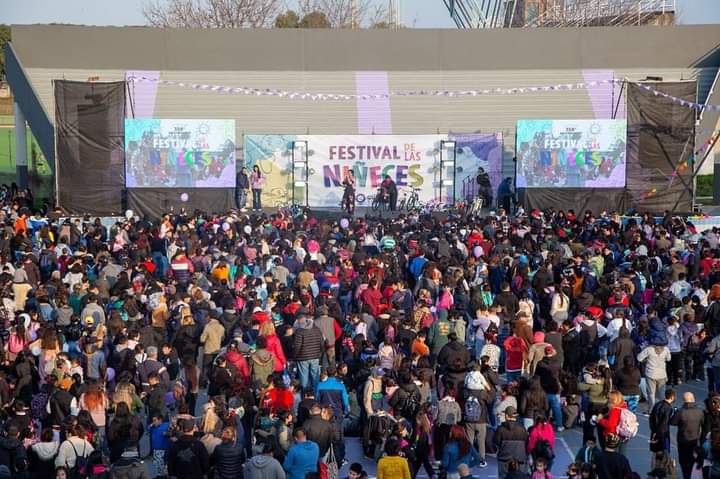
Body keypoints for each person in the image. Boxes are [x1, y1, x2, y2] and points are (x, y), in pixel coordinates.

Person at [670, 392, 705, 479]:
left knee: (684, 462)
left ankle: (686, 476)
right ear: (693, 399)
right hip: (694, 440)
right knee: (693, 461)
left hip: (683, 441)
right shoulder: (700, 411)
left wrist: (674, 413)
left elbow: (672, 422)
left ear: (684, 400)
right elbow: (703, 423)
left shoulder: (681, 411)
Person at [495, 406, 529, 479]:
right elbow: (527, 443)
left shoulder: (500, 429)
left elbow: (496, 443)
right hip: (520, 459)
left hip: (504, 458)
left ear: (507, 416)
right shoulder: (522, 429)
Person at [649, 389, 675, 455]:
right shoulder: (668, 408)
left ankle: (654, 465)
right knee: (664, 452)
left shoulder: (657, 404)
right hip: (662, 434)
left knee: (654, 452)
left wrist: (653, 430)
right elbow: (664, 422)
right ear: (672, 397)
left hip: (654, 431)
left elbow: (651, 418)